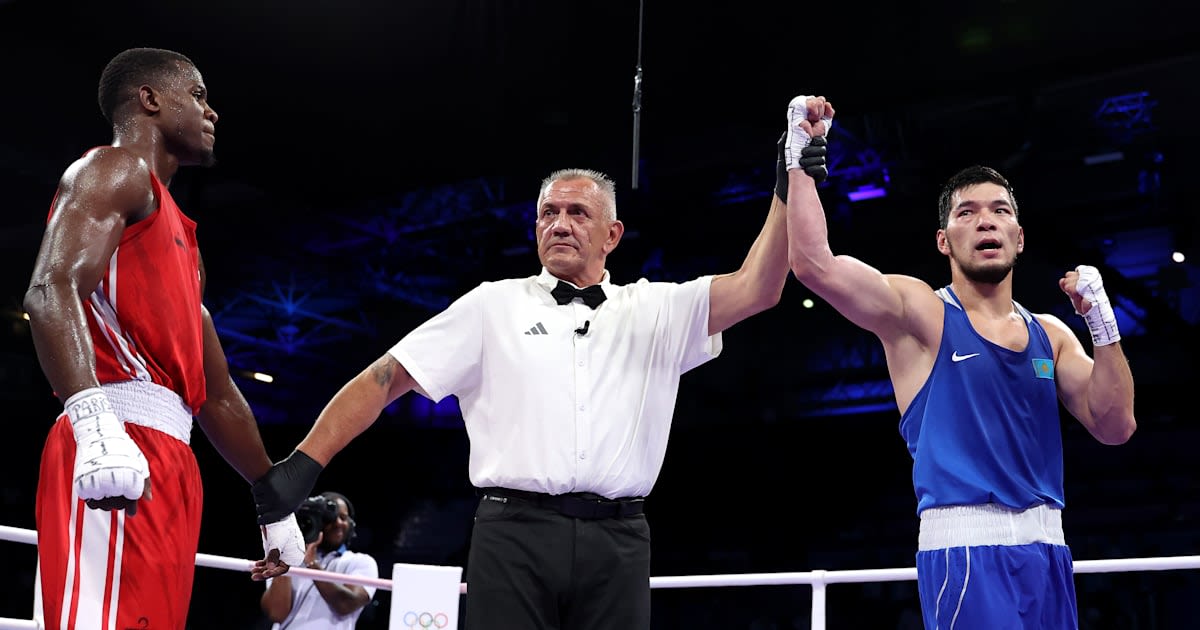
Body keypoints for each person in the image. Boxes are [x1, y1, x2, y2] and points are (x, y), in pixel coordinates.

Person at [247, 107, 832, 628]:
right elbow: (383, 379)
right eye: (548, 213)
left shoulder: (657, 308)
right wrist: (301, 465)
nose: (559, 223)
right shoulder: (491, 305)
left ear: (612, 234)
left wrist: (790, 177)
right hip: (512, 534)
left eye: (578, 213)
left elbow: (759, 287)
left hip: (619, 537)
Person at [781, 95, 1137, 628]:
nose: (985, 221)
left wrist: (1103, 326)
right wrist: (800, 159)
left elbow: (1116, 426)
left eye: (1001, 211)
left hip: (1049, 549)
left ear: (1018, 236)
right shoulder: (921, 314)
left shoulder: (1054, 333)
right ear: (945, 241)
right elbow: (815, 266)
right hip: (965, 551)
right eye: (966, 213)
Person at [23, 46, 304, 629]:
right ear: (150, 99)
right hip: (111, 433)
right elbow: (51, 289)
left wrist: (274, 503)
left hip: (174, 460)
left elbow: (218, 394)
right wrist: (94, 422)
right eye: (198, 95)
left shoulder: (183, 241)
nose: (212, 112)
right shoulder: (112, 169)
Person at [261, 491, 379, 629]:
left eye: (343, 517)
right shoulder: (289, 559)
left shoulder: (361, 562)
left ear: (351, 525)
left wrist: (312, 564)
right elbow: (276, 613)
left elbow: (346, 605)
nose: (338, 523)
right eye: (331, 518)